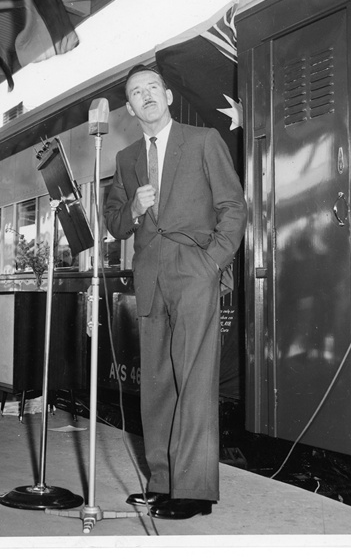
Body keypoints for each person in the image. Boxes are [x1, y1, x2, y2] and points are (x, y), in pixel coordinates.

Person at [104, 65, 247, 520]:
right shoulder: (127, 158)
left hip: (194, 272)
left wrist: (211, 265)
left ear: (167, 95)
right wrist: (134, 207)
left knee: (195, 381)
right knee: (159, 385)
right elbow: (113, 223)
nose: (145, 96)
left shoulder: (203, 140)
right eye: (135, 93)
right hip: (149, 277)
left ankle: (196, 491)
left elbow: (234, 207)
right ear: (129, 108)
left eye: (151, 88)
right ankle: (164, 483)